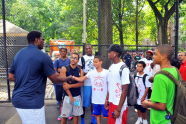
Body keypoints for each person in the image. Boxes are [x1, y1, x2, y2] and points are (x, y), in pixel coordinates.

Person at [8, 31, 70, 124]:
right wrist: (68, 78)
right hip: (31, 102)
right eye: (42, 39)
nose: (43, 41)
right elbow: (55, 79)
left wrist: (25, 78)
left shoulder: (19, 54)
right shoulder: (42, 56)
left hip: (18, 99)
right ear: (36, 40)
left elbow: (11, 76)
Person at [142, 44, 179, 124]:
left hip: (159, 120)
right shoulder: (174, 70)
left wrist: (147, 103)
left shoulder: (160, 77)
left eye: (155, 54)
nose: (153, 56)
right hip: (169, 117)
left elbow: (161, 106)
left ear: (164, 56)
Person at [73, 56, 109, 124]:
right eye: (93, 62)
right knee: (97, 115)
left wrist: (107, 98)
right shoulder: (91, 72)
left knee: (107, 116)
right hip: (95, 100)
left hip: (104, 100)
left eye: (96, 62)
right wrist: (73, 77)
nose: (94, 63)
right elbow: (82, 79)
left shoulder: (106, 72)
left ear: (101, 62)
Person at [105, 44, 130, 124]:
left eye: (109, 52)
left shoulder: (123, 68)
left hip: (119, 104)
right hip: (112, 102)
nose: (108, 53)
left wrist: (119, 109)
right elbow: (110, 84)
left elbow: (125, 89)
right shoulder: (111, 66)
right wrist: (107, 99)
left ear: (115, 54)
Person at [60, 53, 84, 124]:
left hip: (77, 97)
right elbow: (64, 85)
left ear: (78, 60)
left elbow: (81, 83)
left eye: (75, 58)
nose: (73, 59)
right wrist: (70, 96)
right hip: (67, 97)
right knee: (64, 116)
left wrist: (70, 86)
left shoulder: (80, 70)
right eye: (72, 57)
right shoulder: (64, 68)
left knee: (76, 115)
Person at [78, 44, 95, 124]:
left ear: (92, 48)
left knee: (93, 102)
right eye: (86, 48)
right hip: (86, 83)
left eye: (89, 48)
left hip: (95, 83)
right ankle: (82, 119)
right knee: (84, 102)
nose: (88, 49)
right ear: (85, 50)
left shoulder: (95, 57)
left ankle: (93, 119)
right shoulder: (82, 58)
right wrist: (83, 73)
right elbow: (79, 67)